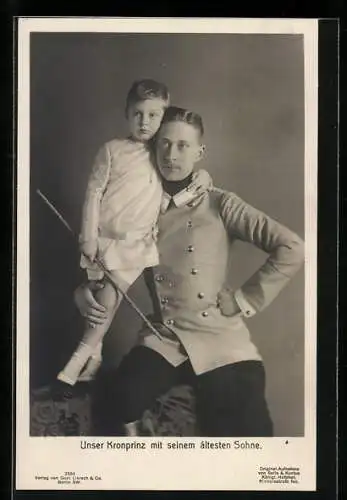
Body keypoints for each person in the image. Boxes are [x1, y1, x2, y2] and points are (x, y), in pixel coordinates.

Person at [74, 106, 305, 437]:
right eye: (164, 144)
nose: (171, 154)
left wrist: (243, 299)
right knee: (117, 401)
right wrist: (83, 291)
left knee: (245, 427)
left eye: (183, 145)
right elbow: (109, 260)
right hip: (164, 338)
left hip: (221, 339)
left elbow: (291, 246)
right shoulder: (141, 208)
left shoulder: (221, 203)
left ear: (200, 152)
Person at [56, 79, 170, 387]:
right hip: (103, 240)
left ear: (164, 117)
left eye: (153, 115)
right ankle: (94, 357)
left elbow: (182, 183)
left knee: (107, 295)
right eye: (138, 114)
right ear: (127, 113)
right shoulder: (112, 150)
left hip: (137, 245)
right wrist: (88, 237)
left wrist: (203, 175)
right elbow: (93, 194)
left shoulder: (163, 154)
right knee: (95, 297)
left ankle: (75, 362)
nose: (145, 122)